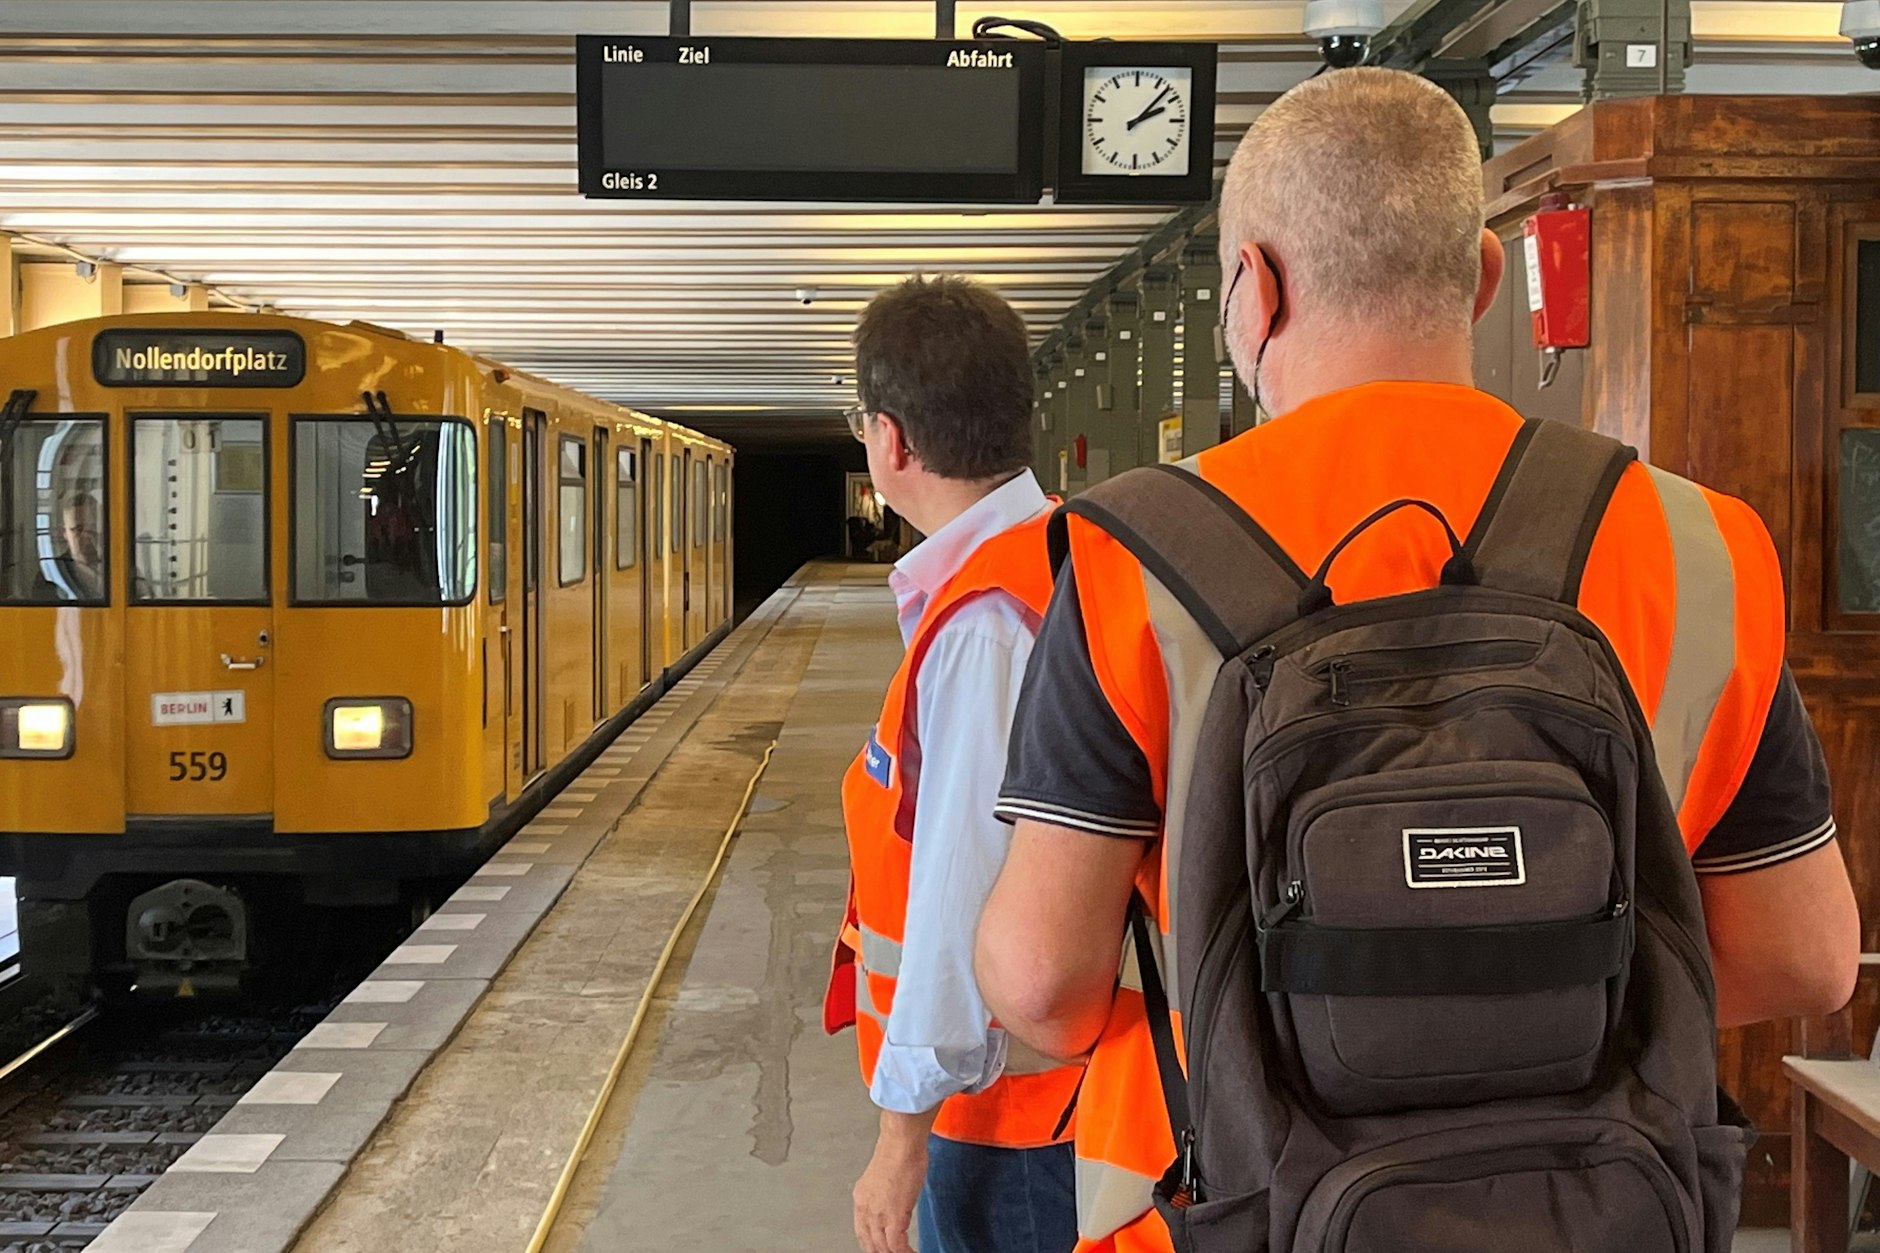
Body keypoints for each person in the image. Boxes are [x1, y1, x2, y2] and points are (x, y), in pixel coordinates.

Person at [976, 67, 1859, 1253]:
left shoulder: (1129, 552)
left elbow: (1041, 982)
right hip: (1600, 1205)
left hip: (1221, 1203)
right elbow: (1800, 954)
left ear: (1253, 289)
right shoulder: (1701, 543)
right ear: (1484, 275)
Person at [824, 275, 1081, 1253]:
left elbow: (960, 893)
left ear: (890, 440)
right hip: (1053, 1092)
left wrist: (900, 1137)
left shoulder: (985, 620)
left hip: (1009, 1120)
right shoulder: (1057, 549)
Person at [52, 493, 105, 601]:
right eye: (78, 529)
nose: (86, 535)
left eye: (92, 528)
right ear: (64, 532)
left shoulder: (120, 570)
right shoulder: (53, 574)